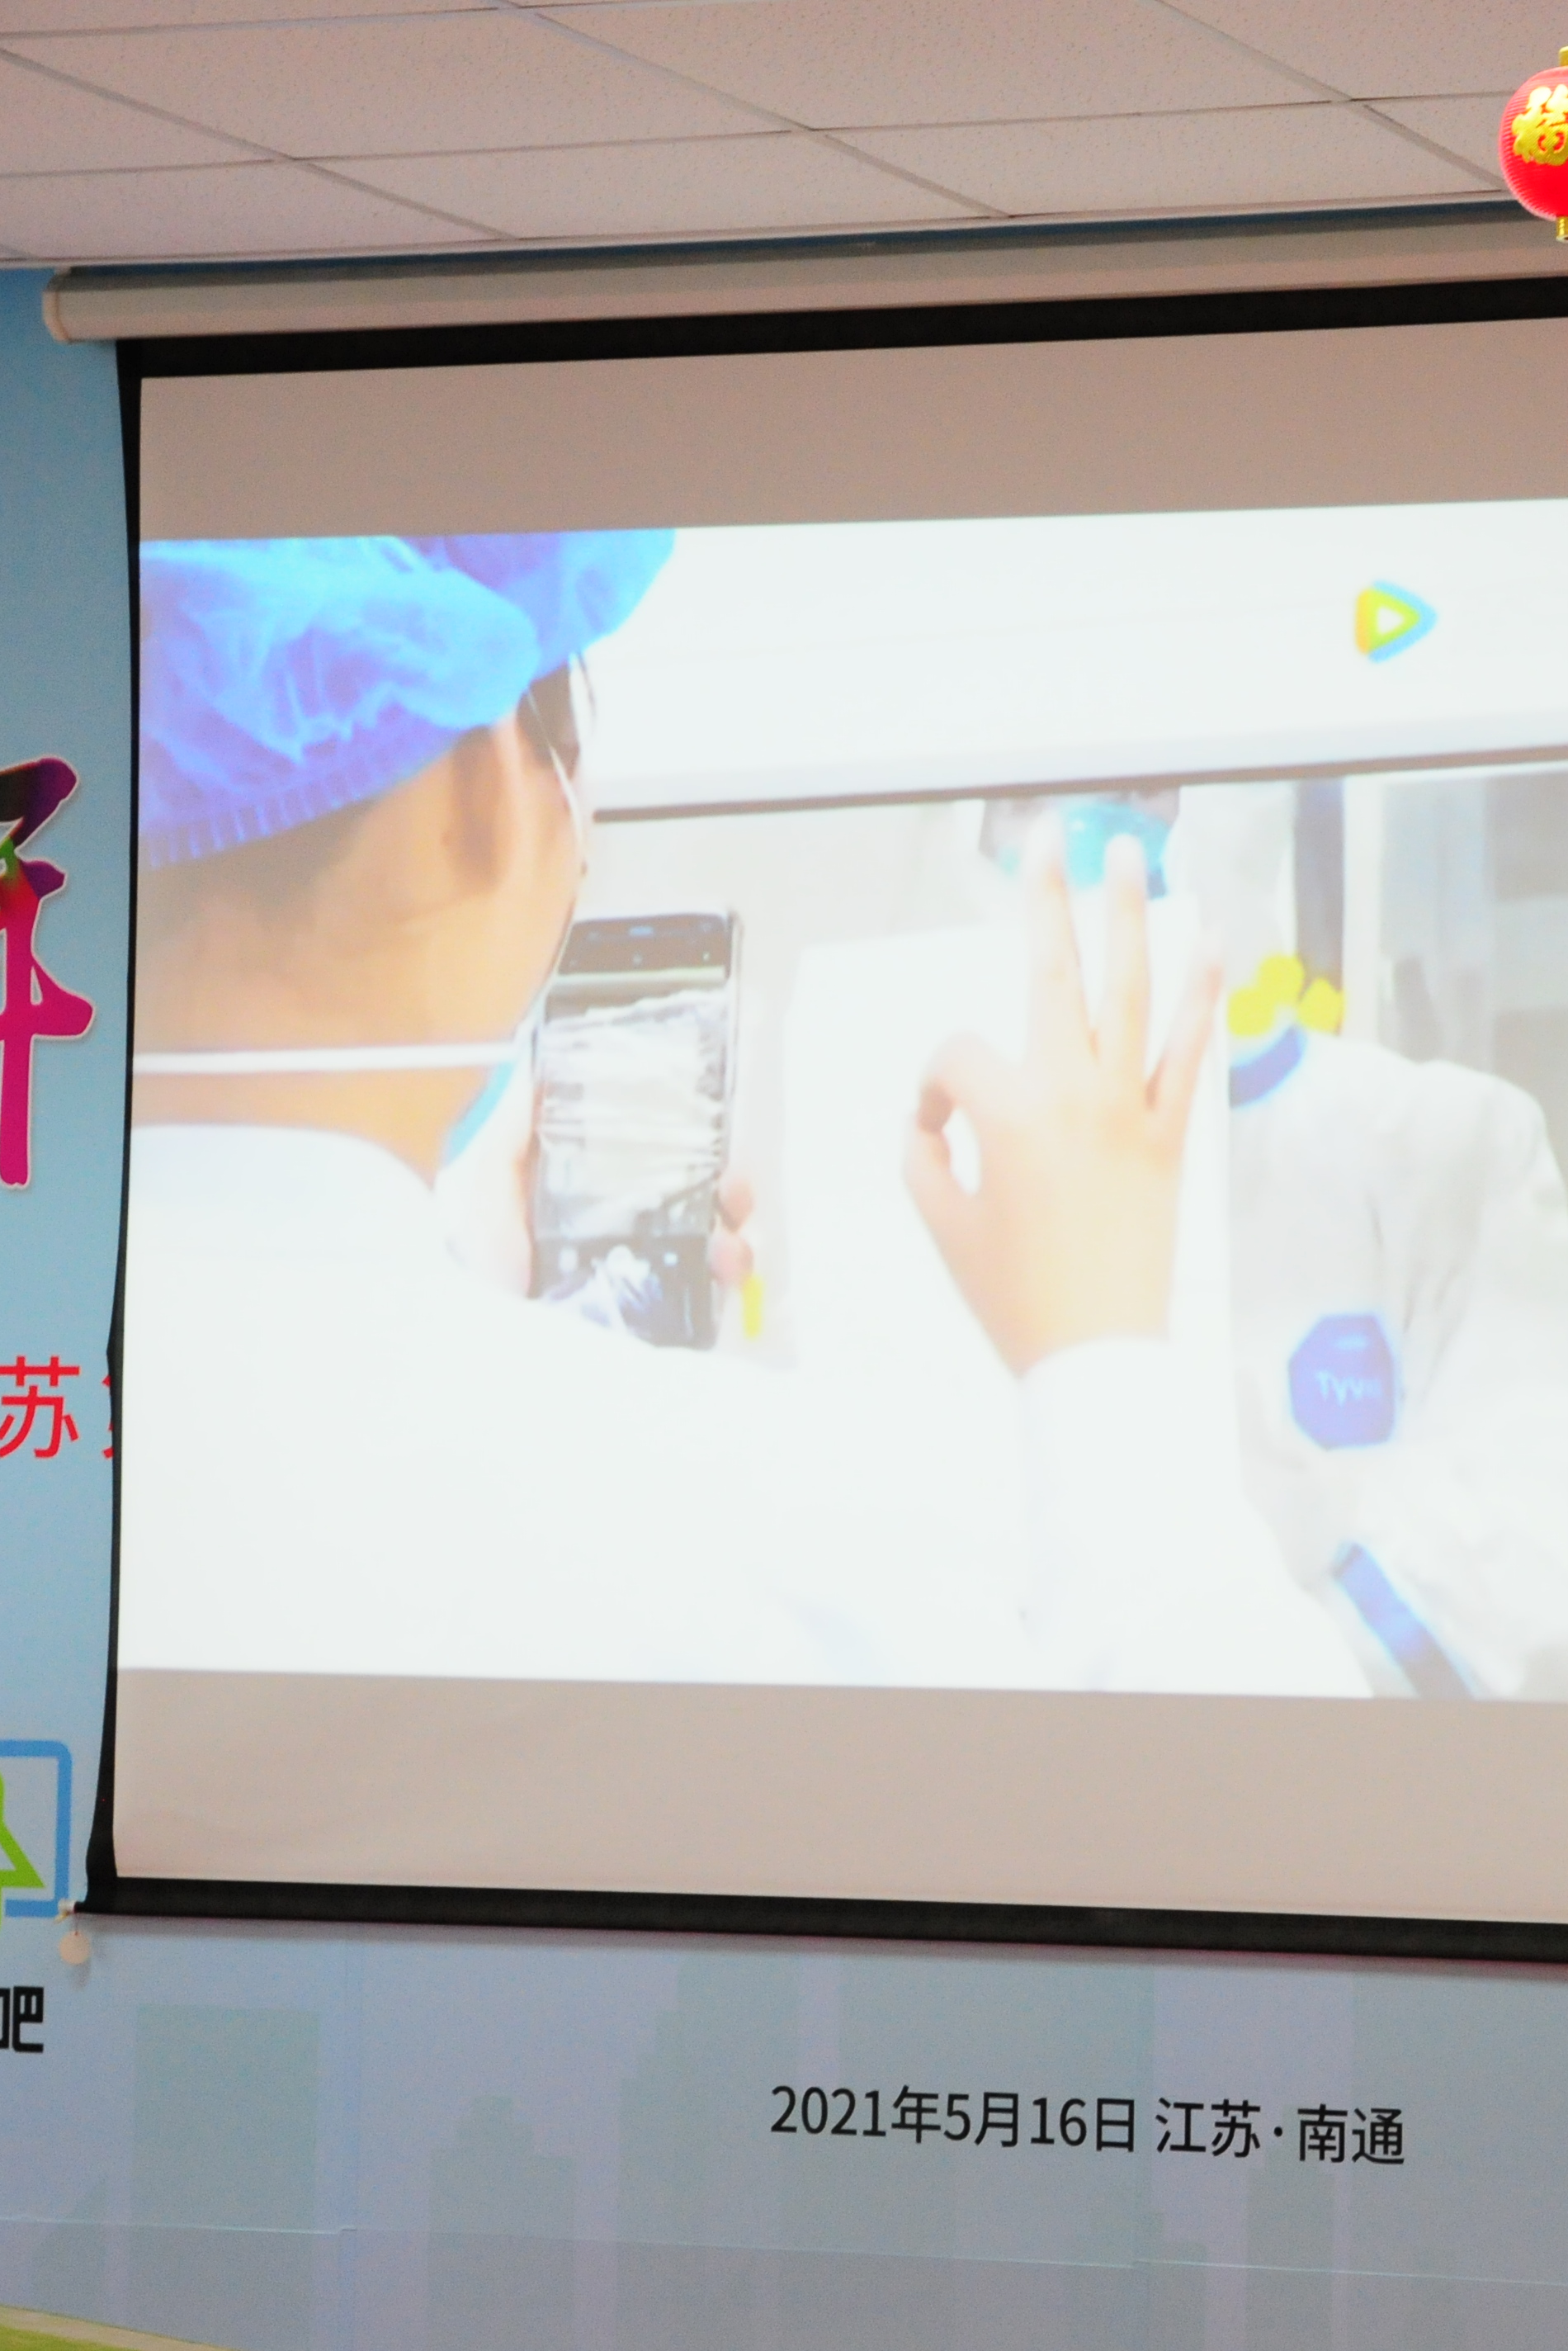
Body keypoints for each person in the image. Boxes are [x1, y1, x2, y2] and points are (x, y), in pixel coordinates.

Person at [121, 532, 1363, 1697]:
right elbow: (1273, 1816)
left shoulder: (27, 1410)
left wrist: (486, 1317)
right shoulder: (769, 1537)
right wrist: (1097, 1358)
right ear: (479, 790)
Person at [978, 790, 1568, 1701]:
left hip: (1351, 1772)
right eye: (1025, 797)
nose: (1083, 833)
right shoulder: (949, 1177)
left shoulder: (1446, 1141)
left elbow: (1535, 1540)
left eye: (1143, 789)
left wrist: (1233, 1673)